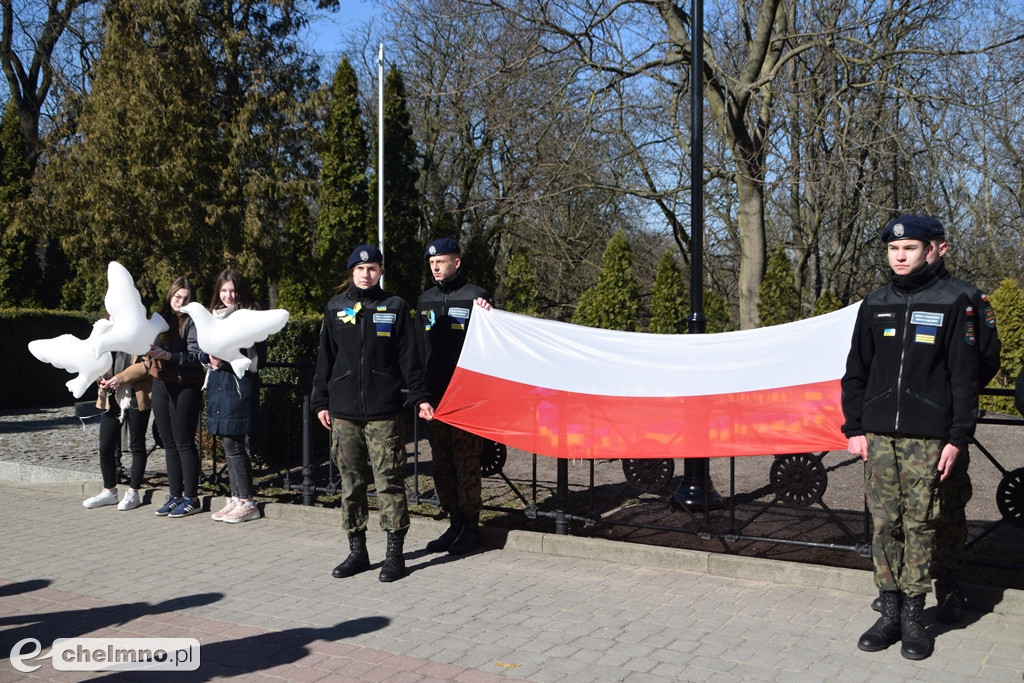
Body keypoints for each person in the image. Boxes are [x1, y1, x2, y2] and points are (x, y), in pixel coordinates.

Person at [842, 214, 979, 660]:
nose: (900, 256)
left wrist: (958, 435)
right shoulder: (874, 302)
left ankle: (915, 616)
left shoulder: (955, 300)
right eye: (893, 250)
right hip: (879, 436)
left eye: (910, 249)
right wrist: (855, 427)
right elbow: (856, 371)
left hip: (929, 438)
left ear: (932, 250)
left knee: (920, 525)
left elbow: (965, 377)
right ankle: (890, 610)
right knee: (884, 523)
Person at [312, 245, 434, 582]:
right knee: (351, 483)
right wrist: (320, 401)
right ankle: (358, 552)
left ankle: (395, 555)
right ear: (351, 272)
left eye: (373, 268)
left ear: (380, 272)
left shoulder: (394, 307)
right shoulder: (336, 308)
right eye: (361, 269)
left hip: (383, 411)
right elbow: (326, 359)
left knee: (389, 482)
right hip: (344, 411)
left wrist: (421, 396)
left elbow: (410, 358)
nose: (367, 274)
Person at [919, 219, 999, 622]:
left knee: (949, 509)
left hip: (947, 424)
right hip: (903, 426)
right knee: (902, 512)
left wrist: (952, 396)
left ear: (941, 249)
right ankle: (902, 589)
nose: (915, 255)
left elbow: (985, 359)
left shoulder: (967, 296)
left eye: (925, 247)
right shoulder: (894, 298)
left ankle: (949, 587)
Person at [415, 237, 493, 554]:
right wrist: (420, 393)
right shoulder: (425, 300)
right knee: (442, 465)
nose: (435, 267)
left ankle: (472, 529)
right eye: (432, 263)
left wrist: (490, 314)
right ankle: (454, 524)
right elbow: (419, 350)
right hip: (436, 399)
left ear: (456, 262)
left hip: (468, 399)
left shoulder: (477, 297)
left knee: (466, 464)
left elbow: (492, 346)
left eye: (441, 262)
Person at [203, 269, 264, 524]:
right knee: (228, 443)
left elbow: (257, 357)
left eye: (233, 290)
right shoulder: (213, 316)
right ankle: (236, 496)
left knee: (235, 443)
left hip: (239, 384)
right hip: (218, 383)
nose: (228, 295)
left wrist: (225, 360)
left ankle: (248, 501)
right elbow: (201, 347)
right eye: (223, 290)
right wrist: (207, 357)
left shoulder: (250, 316)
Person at [148, 277, 206, 518]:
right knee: (168, 443)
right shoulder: (159, 318)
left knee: (184, 443)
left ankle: (192, 497)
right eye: (176, 296)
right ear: (169, 295)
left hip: (185, 386)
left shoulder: (192, 321)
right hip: (161, 383)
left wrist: (167, 355)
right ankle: (175, 495)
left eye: (185, 298)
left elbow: (196, 357)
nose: (179, 302)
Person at [82, 352, 153, 511]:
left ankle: (133, 492)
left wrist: (119, 379)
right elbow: (95, 359)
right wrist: (98, 377)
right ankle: (109, 490)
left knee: (137, 444)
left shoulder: (138, 332)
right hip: (111, 396)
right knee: (105, 447)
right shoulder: (107, 335)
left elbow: (148, 365)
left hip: (136, 394)